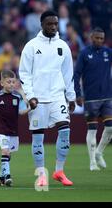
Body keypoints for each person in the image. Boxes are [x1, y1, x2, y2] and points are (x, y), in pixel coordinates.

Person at [19, 10, 76, 187]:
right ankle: (41, 174)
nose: (53, 27)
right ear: (42, 24)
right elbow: (24, 74)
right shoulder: (31, 46)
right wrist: (30, 96)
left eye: (55, 24)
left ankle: (59, 171)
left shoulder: (63, 46)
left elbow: (68, 74)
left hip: (58, 96)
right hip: (38, 98)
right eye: (49, 24)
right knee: (38, 137)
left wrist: (71, 96)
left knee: (65, 131)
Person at [74, 27, 112, 170]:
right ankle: (92, 163)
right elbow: (76, 74)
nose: (99, 41)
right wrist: (78, 94)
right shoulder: (84, 54)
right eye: (97, 38)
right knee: (92, 130)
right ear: (91, 38)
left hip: (107, 96)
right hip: (90, 98)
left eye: (102, 38)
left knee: (110, 128)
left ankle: (98, 152)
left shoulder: (108, 53)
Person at [0, 70, 29, 187]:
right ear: (2, 83)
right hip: (1, 130)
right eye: (9, 82)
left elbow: (21, 112)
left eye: (13, 82)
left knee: (8, 155)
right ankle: (8, 176)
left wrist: (30, 108)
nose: (11, 84)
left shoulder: (17, 96)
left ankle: (1, 177)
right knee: (5, 151)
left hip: (13, 130)